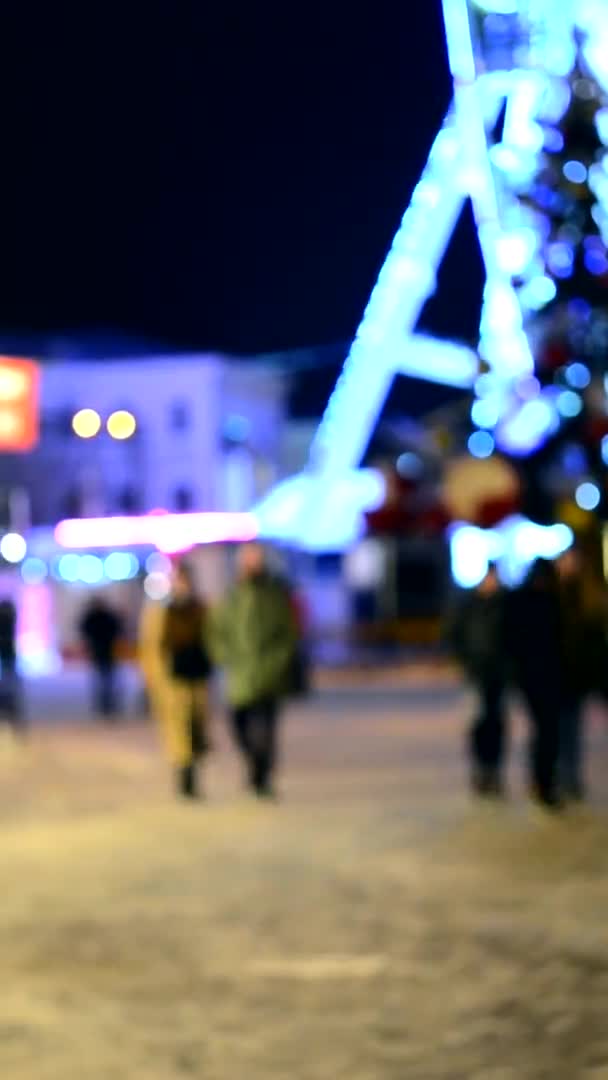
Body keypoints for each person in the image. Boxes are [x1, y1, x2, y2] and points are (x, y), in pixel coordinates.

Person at [211, 542, 297, 799]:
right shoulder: (231, 595)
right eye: (248, 559)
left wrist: (277, 661)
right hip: (239, 675)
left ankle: (261, 778)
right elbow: (217, 631)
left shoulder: (275, 595)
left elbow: (288, 633)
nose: (252, 564)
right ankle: (253, 766)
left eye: (256, 559)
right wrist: (224, 655)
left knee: (265, 731)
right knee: (239, 727)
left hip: (268, 675)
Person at [139, 563, 212, 799]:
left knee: (196, 728)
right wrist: (153, 679)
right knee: (178, 731)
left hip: (197, 677)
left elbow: (213, 640)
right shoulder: (161, 612)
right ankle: (185, 777)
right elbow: (151, 648)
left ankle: (192, 772)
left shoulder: (201, 609)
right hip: (173, 681)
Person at [505, 558, 562, 809]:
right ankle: (542, 782)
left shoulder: (552, 600)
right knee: (545, 731)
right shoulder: (535, 601)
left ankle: (544, 781)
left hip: (547, 677)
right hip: (535, 677)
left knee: (547, 732)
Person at [447, 565, 508, 797]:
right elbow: (454, 634)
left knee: (496, 723)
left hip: (497, 675)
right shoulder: (469, 604)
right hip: (476, 674)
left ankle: (494, 772)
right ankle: (481, 771)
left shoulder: (503, 604)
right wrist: (464, 661)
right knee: (478, 724)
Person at [556, 546, 607, 801]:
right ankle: (561, 777)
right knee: (558, 729)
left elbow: (595, 641)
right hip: (555, 675)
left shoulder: (588, 597)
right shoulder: (552, 596)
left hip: (577, 675)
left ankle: (571, 778)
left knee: (572, 728)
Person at [79, 596, 123, 718]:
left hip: (104, 651)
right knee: (104, 680)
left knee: (105, 680)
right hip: (102, 652)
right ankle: (105, 705)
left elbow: (84, 629)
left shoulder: (98, 617)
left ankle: (106, 704)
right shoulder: (101, 617)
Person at [0, 597, 23, 732]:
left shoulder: (7, 620)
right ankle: (9, 707)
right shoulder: (11, 619)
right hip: (9, 655)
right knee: (10, 684)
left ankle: (8, 707)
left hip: (8, 655)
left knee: (9, 684)